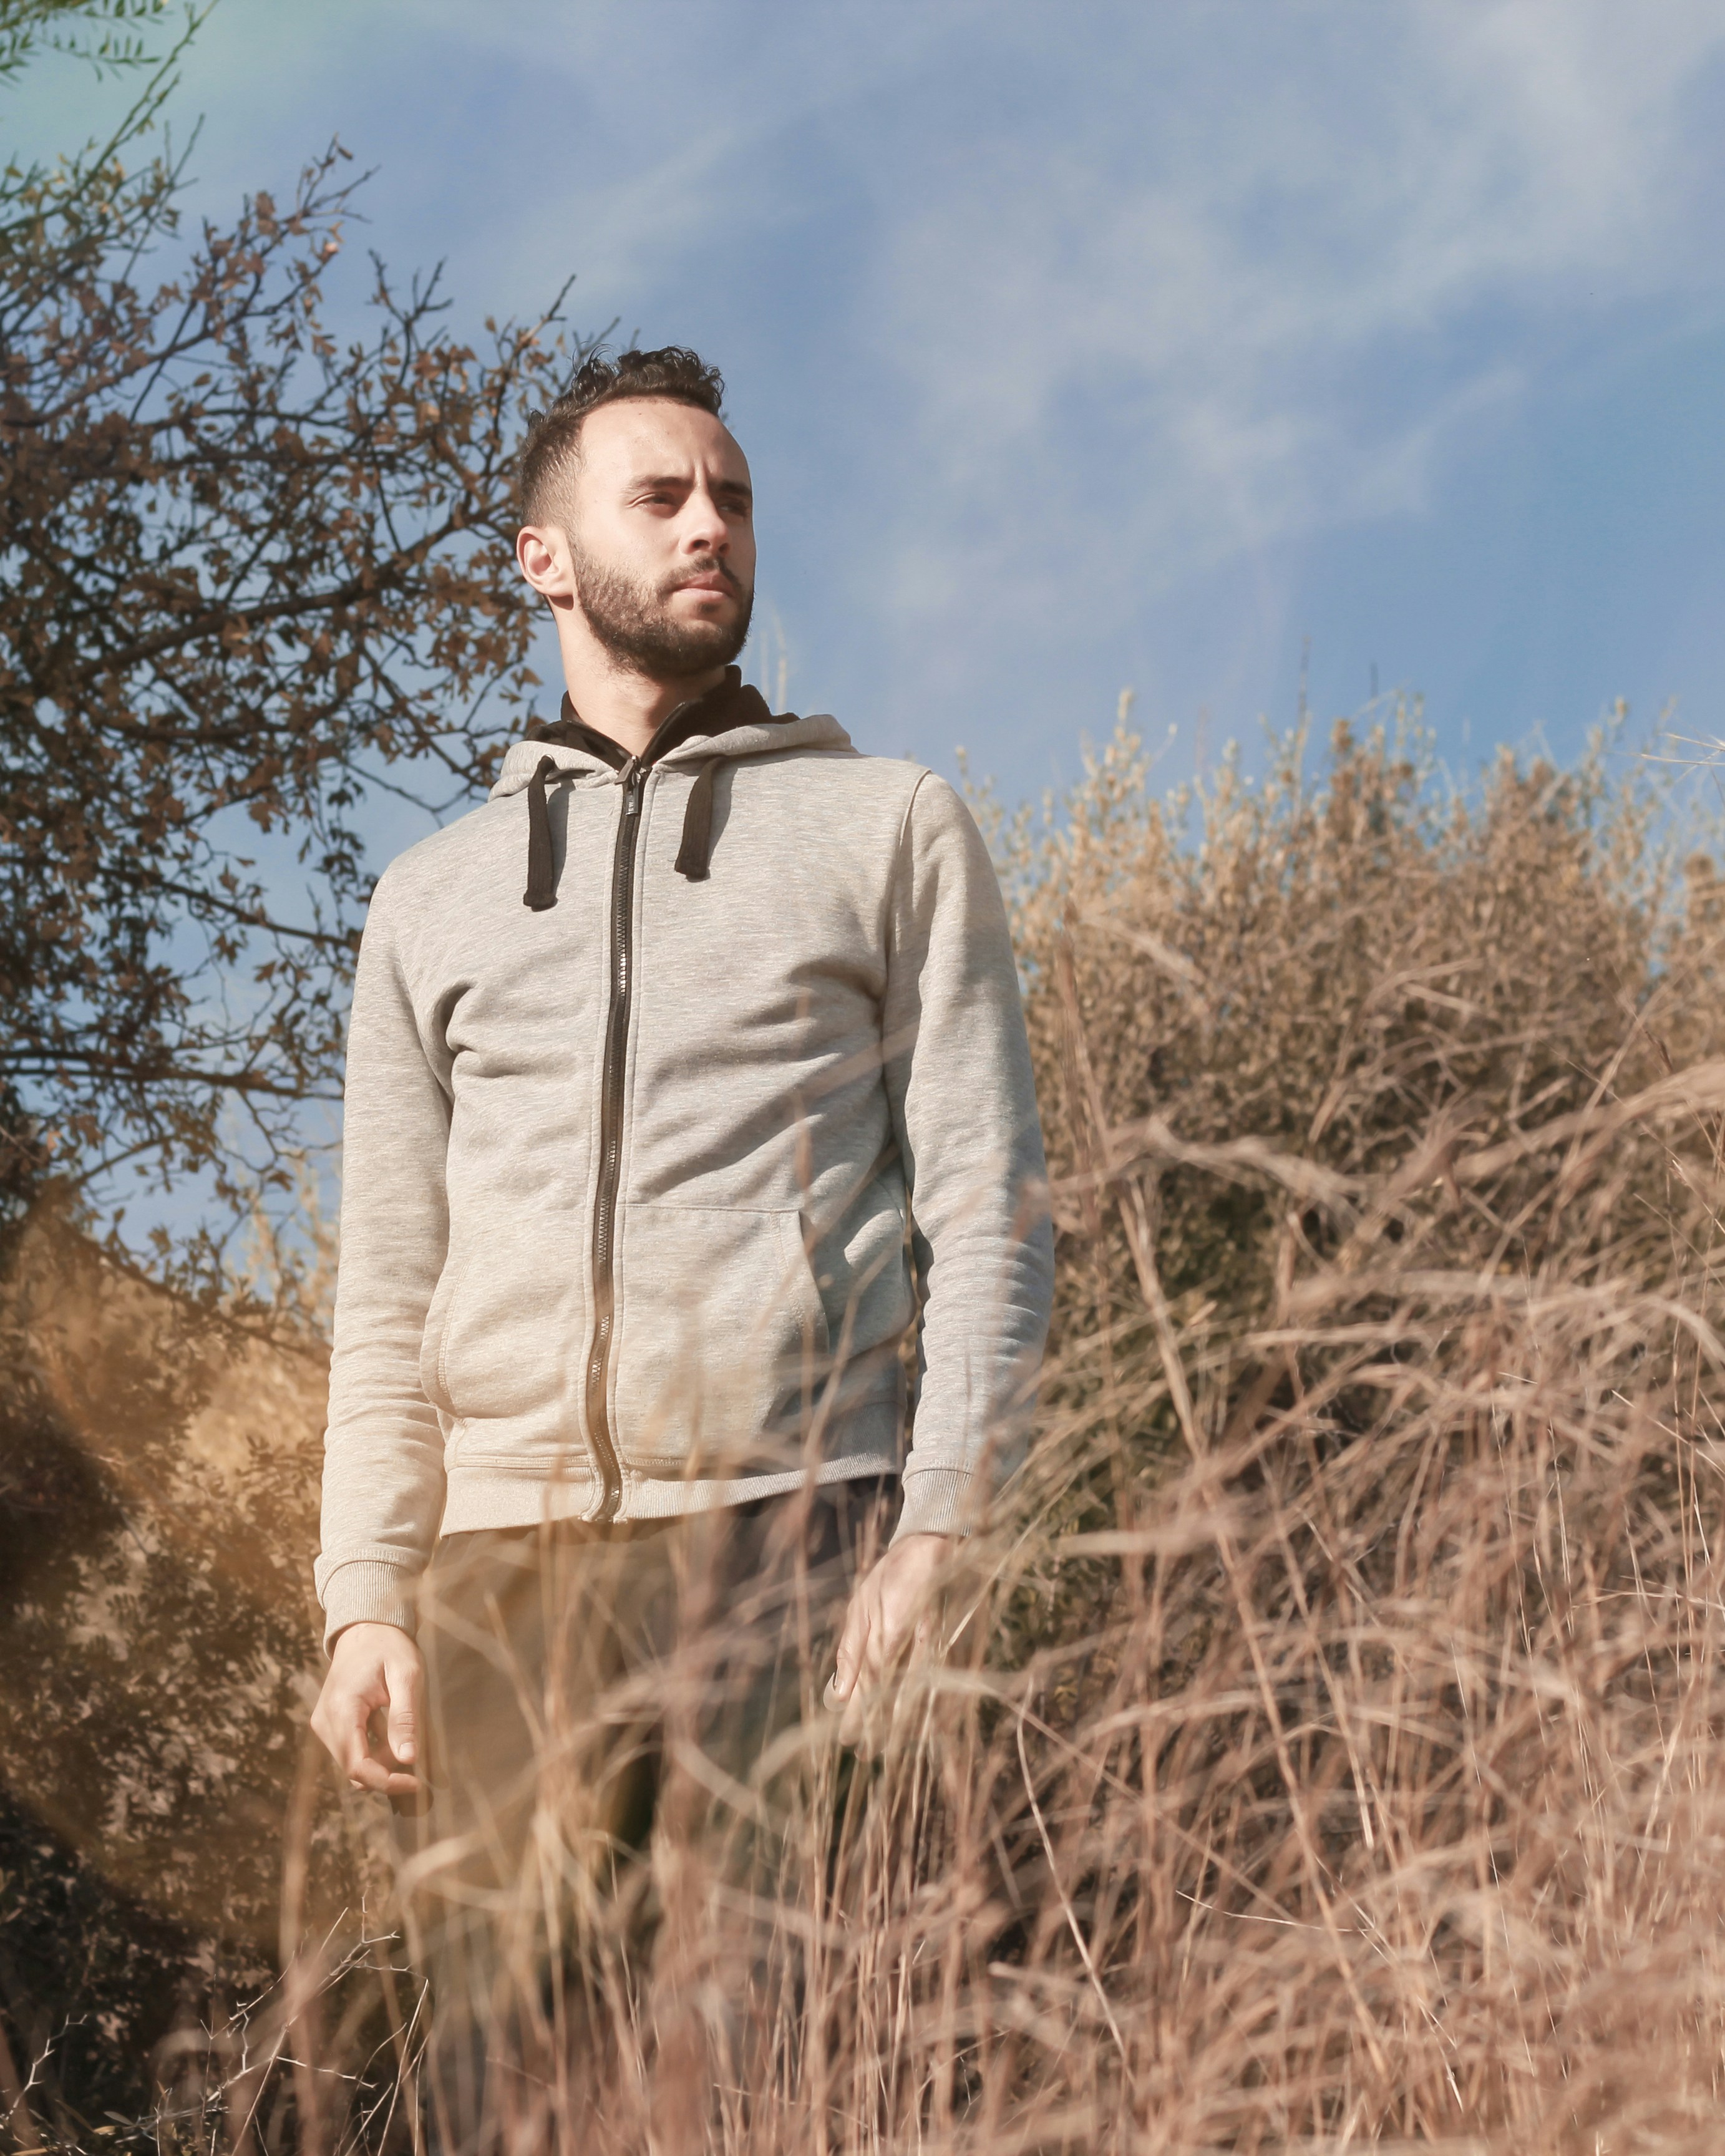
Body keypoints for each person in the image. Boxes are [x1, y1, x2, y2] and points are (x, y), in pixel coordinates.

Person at [308, 346, 1053, 2144]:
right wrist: (360, 1602)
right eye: (661, 496)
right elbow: (387, 1287)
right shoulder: (432, 900)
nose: (711, 525)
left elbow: (991, 1212)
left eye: (730, 497)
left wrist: (936, 1533)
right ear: (544, 558)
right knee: (507, 2109)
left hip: (791, 1538)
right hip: (500, 1577)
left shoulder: (888, 830)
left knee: (772, 2088)